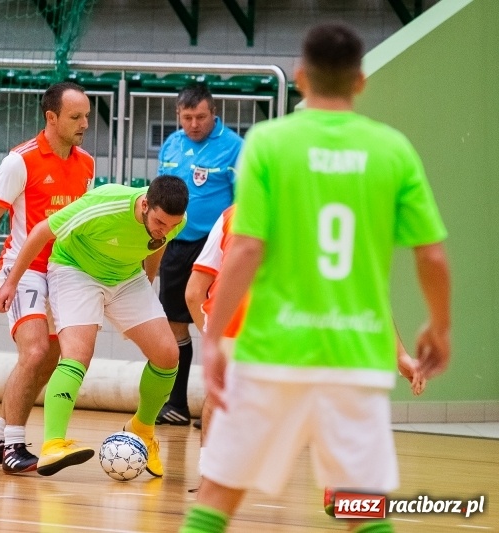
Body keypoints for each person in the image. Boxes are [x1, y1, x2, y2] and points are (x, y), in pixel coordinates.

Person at [181, 22, 451, 533]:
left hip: (272, 349)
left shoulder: (269, 143)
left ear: (301, 77)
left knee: (215, 499)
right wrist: (439, 328)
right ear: (360, 81)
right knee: (361, 505)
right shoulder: (391, 149)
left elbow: (247, 249)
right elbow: (432, 256)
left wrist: (214, 340)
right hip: (355, 353)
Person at [185, 208, 426, 494]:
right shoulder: (330, 217)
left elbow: (193, 292)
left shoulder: (234, 214)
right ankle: (344, 487)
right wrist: (399, 355)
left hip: (237, 325)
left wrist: (211, 337)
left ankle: (209, 479)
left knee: (222, 401)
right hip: (293, 328)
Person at [0, 175, 189, 477]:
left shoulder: (176, 220)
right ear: (145, 204)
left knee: (167, 354)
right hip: (76, 271)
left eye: (172, 225)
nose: (167, 229)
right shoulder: (104, 204)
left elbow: (157, 245)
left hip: (125, 277)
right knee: (77, 355)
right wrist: (11, 283)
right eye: (161, 222)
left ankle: (143, 429)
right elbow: (41, 232)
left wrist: (148, 281)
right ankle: (53, 445)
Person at [0, 81, 94, 474]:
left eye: (87, 116)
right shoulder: (20, 161)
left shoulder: (86, 164)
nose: (84, 124)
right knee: (36, 351)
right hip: (22, 271)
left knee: (52, 358)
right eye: (76, 117)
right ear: (51, 117)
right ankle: (13, 445)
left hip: (63, 272)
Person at [155, 83, 244, 426]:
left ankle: (216, 404)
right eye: (187, 117)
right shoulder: (171, 144)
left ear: (214, 113)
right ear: (178, 115)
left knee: (215, 327)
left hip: (215, 248)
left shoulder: (235, 147)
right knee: (175, 324)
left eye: (201, 117)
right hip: (176, 246)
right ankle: (176, 403)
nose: (194, 124)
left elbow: (243, 202)